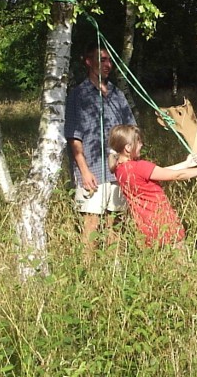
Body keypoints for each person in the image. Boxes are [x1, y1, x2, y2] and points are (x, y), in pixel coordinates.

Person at [65, 42, 136, 258]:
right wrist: (84, 171)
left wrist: (130, 163)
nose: (108, 64)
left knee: (115, 222)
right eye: (102, 60)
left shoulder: (117, 94)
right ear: (88, 62)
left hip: (117, 170)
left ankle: (113, 270)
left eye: (109, 60)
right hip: (92, 171)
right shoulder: (78, 95)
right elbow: (74, 137)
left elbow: (131, 130)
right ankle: (87, 272)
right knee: (91, 225)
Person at [108, 125, 197, 247]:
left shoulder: (119, 169)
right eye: (139, 141)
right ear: (128, 148)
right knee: (181, 262)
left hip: (145, 227)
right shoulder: (139, 166)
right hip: (164, 223)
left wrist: (186, 164)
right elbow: (176, 176)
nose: (141, 144)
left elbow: (158, 172)